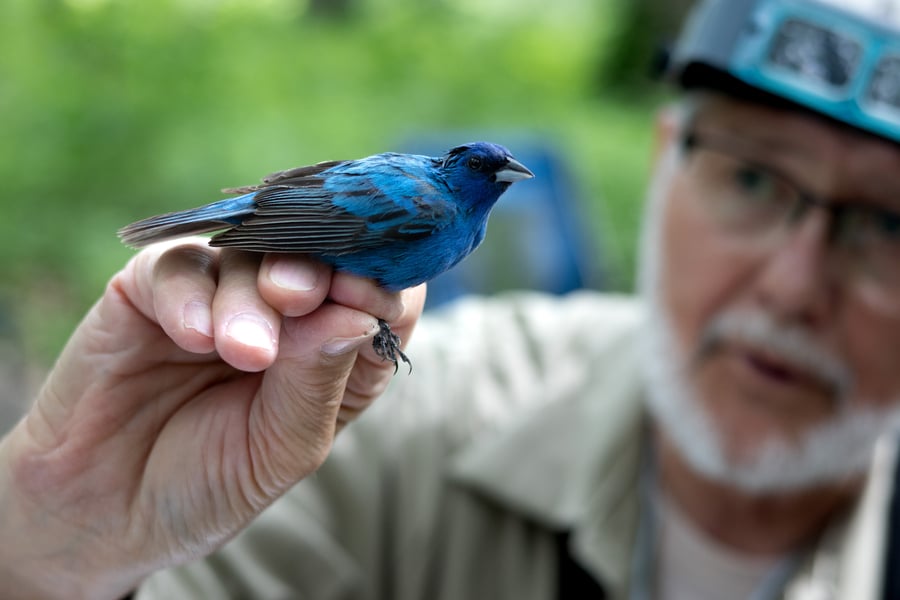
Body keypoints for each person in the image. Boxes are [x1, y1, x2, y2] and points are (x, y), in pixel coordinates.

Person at [4, 0, 900, 597]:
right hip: (307, 224)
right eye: (752, 178)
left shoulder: (456, 232)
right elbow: (326, 210)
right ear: (667, 159)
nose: (794, 282)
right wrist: (56, 532)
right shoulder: (414, 425)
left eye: (887, 225)